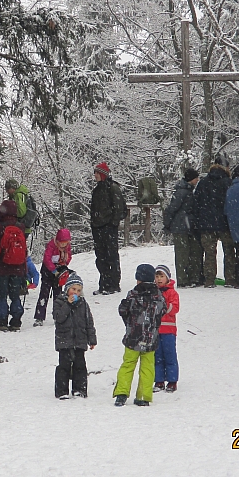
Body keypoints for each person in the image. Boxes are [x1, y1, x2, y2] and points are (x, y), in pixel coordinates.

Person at [113, 264, 166, 407]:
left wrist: (129, 322)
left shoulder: (133, 294)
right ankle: (143, 396)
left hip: (133, 338)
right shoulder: (158, 296)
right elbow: (163, 310)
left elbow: (124, 310)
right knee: (147, 367)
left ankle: (121, 394)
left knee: (128, 364)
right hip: (150, 339)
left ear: (139, 279)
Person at [53, 272, 97, 399]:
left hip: (80, 340)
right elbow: (59, 318)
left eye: (78, 290)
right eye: (73, 289)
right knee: (64, 366)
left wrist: (92, 339)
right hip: (64, 340)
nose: (75, 292)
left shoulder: (83, 304)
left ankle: (80, 389)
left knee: (80, 366)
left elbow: (89, 322)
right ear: (67, 289)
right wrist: (67, 304)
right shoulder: (60, 302)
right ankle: (62, 391)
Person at [194, 153, 235, 287]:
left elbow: (197, 202)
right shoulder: (228, 182)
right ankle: (230, 279)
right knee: (229, 252)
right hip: (225, 223)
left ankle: (209, 280)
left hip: (206, 223)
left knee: (209, 253)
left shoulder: (203, 182)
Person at [0, 200, 28, 331]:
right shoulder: (20, 226)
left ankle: (2, 321)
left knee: (2, 295)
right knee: (15, 295)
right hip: (18, 267)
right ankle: (16, 321)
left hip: (2, 267)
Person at [90, 162, 126, 295]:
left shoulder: (112, 188)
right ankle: (104, 283)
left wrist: (112, 223)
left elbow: (120, 208)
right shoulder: (97, 189)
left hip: (108, 228)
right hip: (98, 228)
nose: (95, 175)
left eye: (97, 173)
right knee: (100, 257)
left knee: (111, 256)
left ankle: (114, 284)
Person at [163, 168, 202, 287]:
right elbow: (172, 209)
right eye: (196, 178)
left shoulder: (186, 191)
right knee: (183, 254)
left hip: (184, 226)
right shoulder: (183, 192)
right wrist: (167, 224)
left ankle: (187, 279)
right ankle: (184, 280)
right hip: (182, 227)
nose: (197, 180)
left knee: (185, 253)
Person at [34, 228, 72, 325]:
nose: (64, 245)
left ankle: (58, 315)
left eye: (66, 242)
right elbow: (47, 258)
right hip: (48, 271)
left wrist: (64, 265)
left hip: (59, 272)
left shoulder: (67, 247)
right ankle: (39, 317)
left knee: (58, 295)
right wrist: (53, 270)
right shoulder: (52, 245)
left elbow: (69, 256)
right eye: (62, 242)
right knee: (44, 294)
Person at [152, 265, 180, 393]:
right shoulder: (153, 292)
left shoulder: (172, 293)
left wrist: (163, 304)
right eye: (157, 276)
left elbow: (174, 309)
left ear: (167, 278)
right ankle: (159, 380)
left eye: (161, 276)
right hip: (155, 330)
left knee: (170, 356)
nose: (159, 279)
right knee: (157, 356)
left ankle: (172, 381)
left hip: (169, 331)